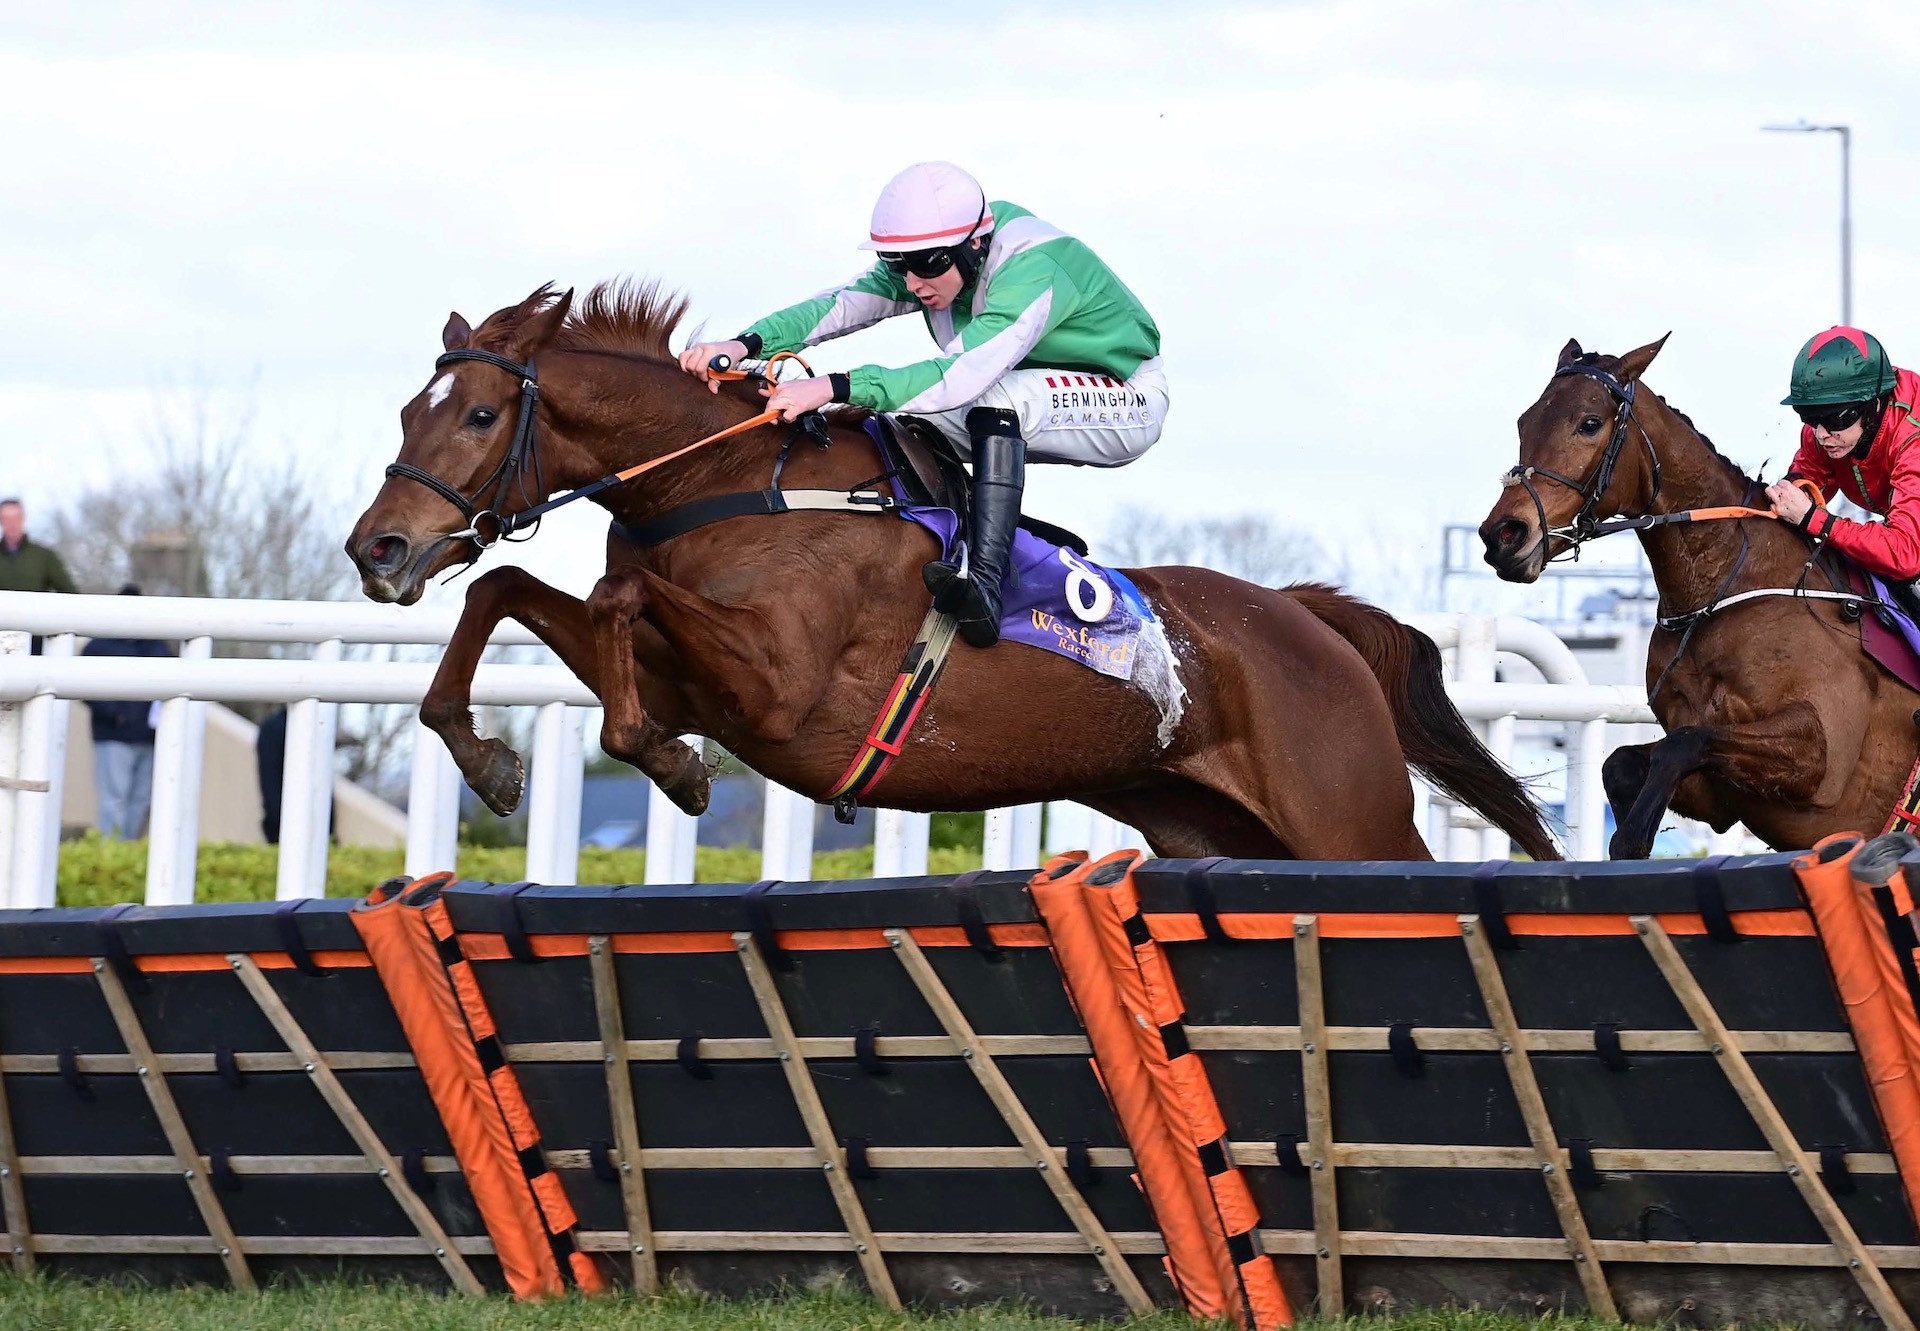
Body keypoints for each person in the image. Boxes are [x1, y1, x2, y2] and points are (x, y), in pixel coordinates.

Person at [678, 162, 1166, 647]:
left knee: (994, 399)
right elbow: (839, 305)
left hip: (1126, 396)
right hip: (1024, 389)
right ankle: (984, 547)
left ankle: (987, 589)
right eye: (899, 266)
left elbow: (962, 375)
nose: (912, 282)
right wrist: (746, 344)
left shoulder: (1034, 266)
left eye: (929, 264)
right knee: (903, 425)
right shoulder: (934, 254)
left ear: (976, 244)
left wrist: (834, 386)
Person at [1767, 326, 1920, 581]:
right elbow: (1802, 493)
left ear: (1874, 405)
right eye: (1809, 418)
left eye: (1834, 419)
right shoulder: (1821, 434)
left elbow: (1907, 554)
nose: (1821, 434)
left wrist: (1818, 521)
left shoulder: (1912, 439)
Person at [81, 586, 172, 839]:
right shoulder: (99, 647)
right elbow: (85, 688)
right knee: (114, 800)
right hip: (113, 736)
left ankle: (126, 854)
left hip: (148, 738)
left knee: (141, 800)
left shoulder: (156, 647)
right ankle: (112, 858)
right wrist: (115, 714)